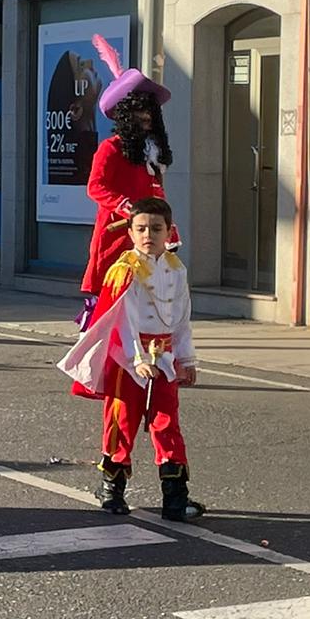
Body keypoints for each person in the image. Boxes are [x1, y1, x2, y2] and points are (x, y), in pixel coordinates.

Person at [58, 196, 205, 522]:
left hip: (164, 359)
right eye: (140, 228)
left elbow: (182, 318)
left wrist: (187, 358)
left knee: (167, 425)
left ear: (169, 231)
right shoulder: (123, 270)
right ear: (130, 232)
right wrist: (136, 358)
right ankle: (112, 490)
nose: (148, 235)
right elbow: (120, 320)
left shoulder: (176, 270)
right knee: (120, 424)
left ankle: (175, 499)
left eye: (156, 228)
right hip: (128, 361)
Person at [80, 34, 177, 309]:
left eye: (149, 111)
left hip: (148, 237)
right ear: (125, 115)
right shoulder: (111, 147)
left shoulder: (153, 151)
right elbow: (96, 186)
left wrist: (167, 225)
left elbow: (156, 194)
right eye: (138, 112)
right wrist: (130, 210)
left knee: (148, 304)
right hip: (117, 235)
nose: (146, 117)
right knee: (113, 304)